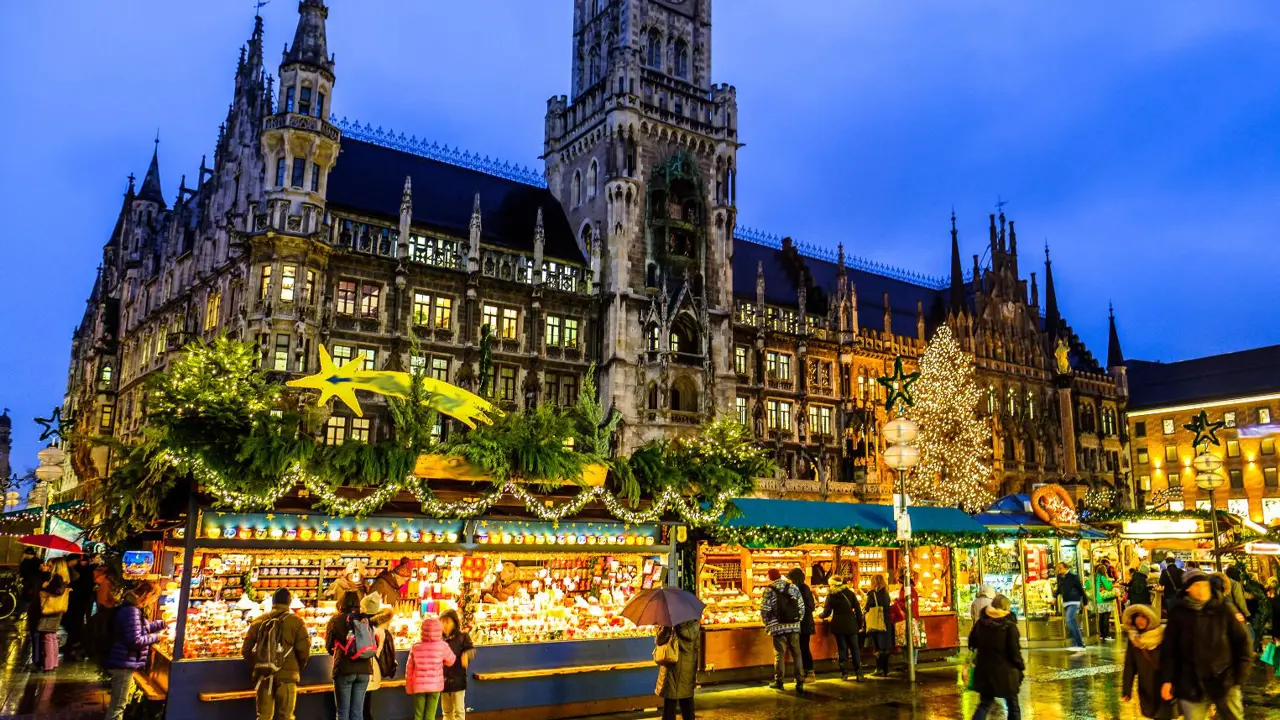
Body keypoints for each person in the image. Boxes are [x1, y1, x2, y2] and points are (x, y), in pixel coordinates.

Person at [1160, 569, 1252, 720]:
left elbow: (1243, 642)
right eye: (1197, 585)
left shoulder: (1224, 609)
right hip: (1190, 683)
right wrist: (1167, 680)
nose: (1202, 589)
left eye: (1204, 585)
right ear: (1188, 589)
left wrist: (1238, 677)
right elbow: (1170, 650)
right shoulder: (1178, 613)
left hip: (1225, 680)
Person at [243, 588, 311, 720]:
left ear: (273, 602)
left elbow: (246, 650)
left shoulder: (258, 621)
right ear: (289, 602)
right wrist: (296, 668)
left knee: (264, 716)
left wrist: (261, 664)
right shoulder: (296, 622)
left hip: (264, 677)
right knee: (285, 716)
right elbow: (304, 651)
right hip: (287, 679)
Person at [105, 580, 166, 720]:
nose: (153, 602)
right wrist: (157, 637)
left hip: (123, 661)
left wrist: (163, 624)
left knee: (118, 703)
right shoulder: (131, 611)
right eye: (154, 598)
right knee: (118, 706)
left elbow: (142, 628)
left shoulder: (132, 608)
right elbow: (135, 641)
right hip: (123, 662)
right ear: (148, 595)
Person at [967, 594, 1025, 720]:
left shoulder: (981, 622)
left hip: (985, 670)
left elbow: (972, 642)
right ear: (1006, 607)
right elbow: (1014, 651)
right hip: (1006, 673)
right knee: (1013, 706)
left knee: (984, 705)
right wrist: (1020, 666)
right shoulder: (1009, 625)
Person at [326, 591, 374, 720]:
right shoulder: (364, 619)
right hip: (364, 670)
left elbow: (329, 647)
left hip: (344, 669)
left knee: (342, 711)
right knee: (357, 712)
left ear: (341, 603)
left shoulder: (335, 620)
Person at [1121, 604, 1174, 720]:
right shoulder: (1134, 639)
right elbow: (1130, 665)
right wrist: (1126, 690)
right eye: (1137, 616)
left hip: (1164, 685)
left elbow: (1172, 660)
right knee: (1152, 714)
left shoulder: (1163, 635)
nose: (1140, 620)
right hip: (1146, 686)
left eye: (1144, 617)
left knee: (1163, 715)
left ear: (1151, 619)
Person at [760, 568, 805, 692]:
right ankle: (800, 681)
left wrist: (767, 623)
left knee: (779, 654)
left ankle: (779, 681)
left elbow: (765, 609)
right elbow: (801, 607)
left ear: (769, 577)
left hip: (778, 627)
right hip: (794, 626)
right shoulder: (793, 587)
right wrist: (798, 620)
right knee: (797, 653)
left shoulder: (769, 590)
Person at [405, 616, 456, 720]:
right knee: (430, 715)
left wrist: (409, 686)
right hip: (435, 685)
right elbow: (451, 660)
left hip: (418, 685)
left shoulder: (415, 647)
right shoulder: (443, 646)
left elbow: (409, 668)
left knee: (418, 715)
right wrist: (442, 661)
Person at [654, 618, 700, 720]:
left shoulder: (670, 622)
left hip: (672, 668)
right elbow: (695, 645)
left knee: (670, 705)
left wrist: (666, 627)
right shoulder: (695, 624)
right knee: (687, 703)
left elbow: (659, 641)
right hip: (687, 668)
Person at [362, 593, 398, 720]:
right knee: (365, 706)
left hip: (366, 671)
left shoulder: (365, 627)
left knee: (362, 707)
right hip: (372, 672)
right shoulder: (380, 630)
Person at [820, 577, 864, 681]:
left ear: (833, 584)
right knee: (855, 648)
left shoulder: (831, 596)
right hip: (851, 624)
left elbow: (827, 612)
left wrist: (820, 616)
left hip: (838, 624)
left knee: (842, 648)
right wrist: (859, 624)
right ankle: (859, 673)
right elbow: (858, 610)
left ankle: (844, 673)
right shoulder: (850, 593)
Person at [439, 610, 474, 720]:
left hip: (458, 680)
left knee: (459, 711)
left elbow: (471, 649)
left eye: (447, 622)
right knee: (446, 711)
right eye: (442, 622)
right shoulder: (438, 638)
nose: (444, 625)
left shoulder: (463, 636)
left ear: (455, 622)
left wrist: (467, 655)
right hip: (443, 681)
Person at [37, 557, 71, 671]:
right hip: (57, 609)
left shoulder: (57, 577)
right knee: (52, 635)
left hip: (51, 608)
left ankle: (48, 664)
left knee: (48, 636)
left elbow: (57, 591)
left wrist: (45, 586)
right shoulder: (63, 577)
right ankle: (53, 662)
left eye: (51, 565)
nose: (49, 567)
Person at [786, 568, 817, 683]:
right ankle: (802, 674)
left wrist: (796, 611)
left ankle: (810, 673)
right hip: (800, 623)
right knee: (800, 649)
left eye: (791, 579)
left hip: (804, 624)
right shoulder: (798, 589)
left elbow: (810, 607)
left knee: (803, 648)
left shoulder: (803, 589)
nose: (789, 581)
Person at [64, 555, 94, 661]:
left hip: (76, 601)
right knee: (75, 624)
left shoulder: (79, 571)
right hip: (79, 601)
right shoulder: (83, 570)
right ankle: (73, 644)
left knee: (74, 624)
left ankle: (74, 644)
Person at [864, 574, 893, 677]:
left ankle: (879, 668)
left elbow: (867, 608)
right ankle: (885, 670)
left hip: (876, 622)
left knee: (877, 647)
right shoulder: (886, 593)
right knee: (885, 647)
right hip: (886, 622)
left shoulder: (872, 594)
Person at [1054, 562, 1087, 651]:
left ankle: (1079, 643)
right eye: (1058, 568)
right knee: (1072, 622)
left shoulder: (1073, 576)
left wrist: (1085, 602)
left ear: (1066, 568)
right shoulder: (1059, 577)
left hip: (1074, 601)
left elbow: (1080, 589)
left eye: (1060, 568)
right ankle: (1078, 643)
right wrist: (1054, 596)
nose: (1059, 570)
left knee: (1069, 619)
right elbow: (1059, 588)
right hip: (1066, 602)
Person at [1088, 569, 1117, 641]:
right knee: (1106, 617)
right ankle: (1106, 635)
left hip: (1099, 600)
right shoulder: (1102, 577)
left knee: (1101, 617)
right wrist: (1110, 581)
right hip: (1105, 599)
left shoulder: (1096, 578)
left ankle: (1101, 635)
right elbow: (1108, 587)